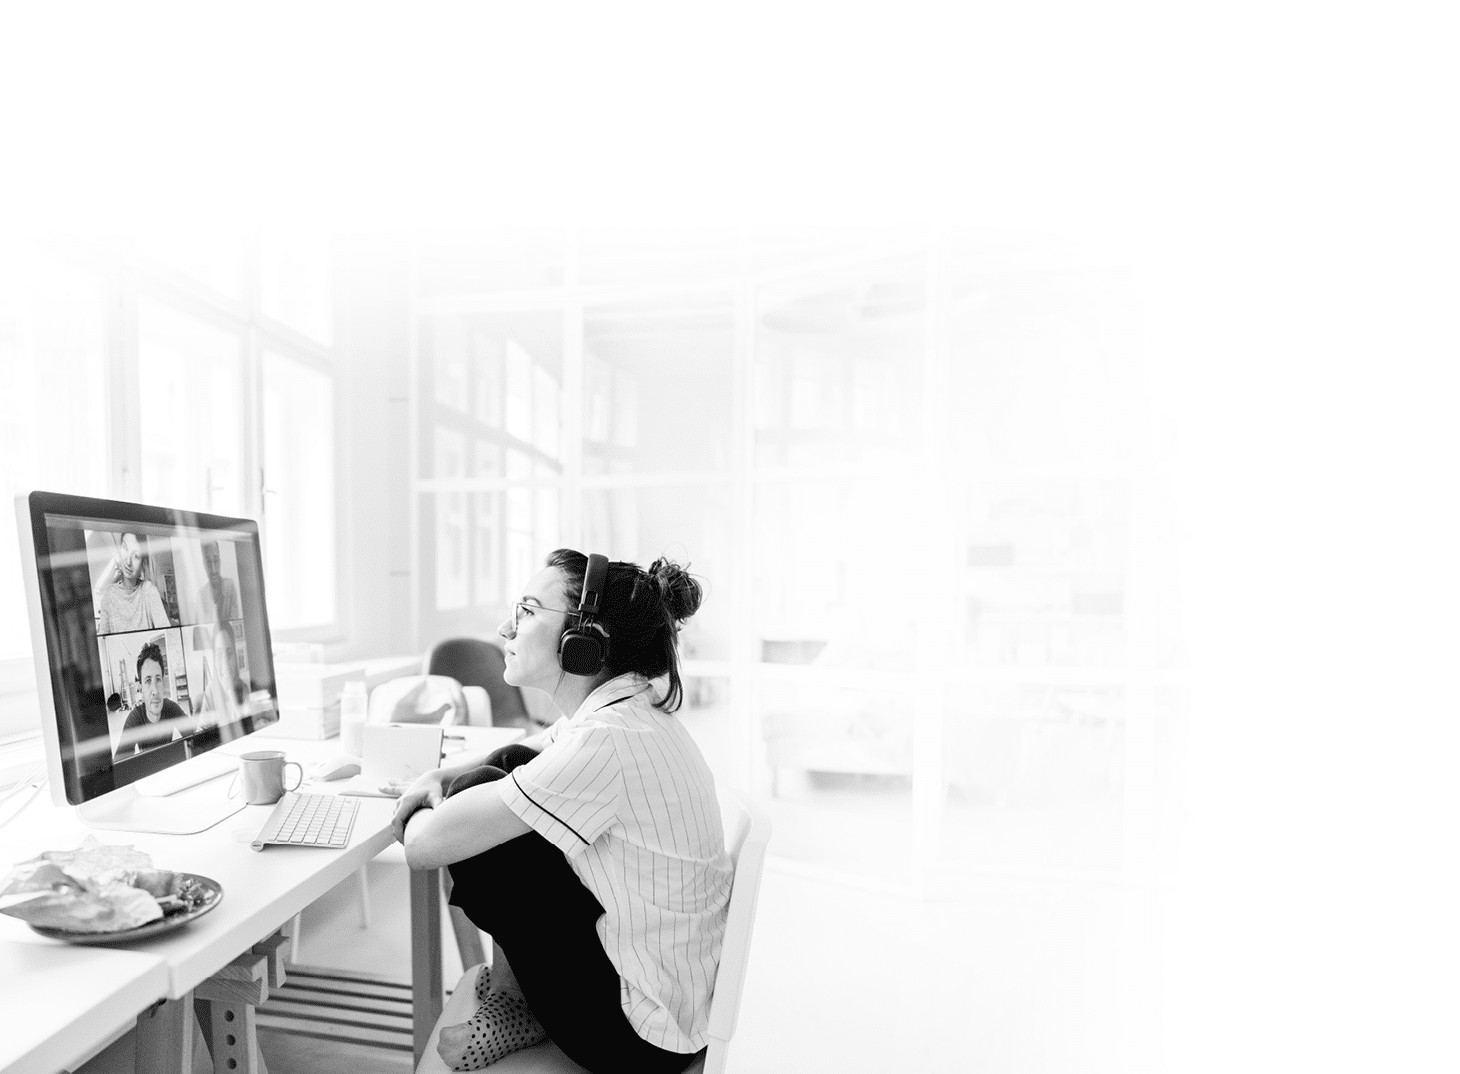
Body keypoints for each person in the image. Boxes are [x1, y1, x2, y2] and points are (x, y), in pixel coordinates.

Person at [392, 550, 729, 1074]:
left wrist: (420, 804)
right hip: (671, 1003)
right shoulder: (622, 710)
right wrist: (436, 777)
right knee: (505, 765)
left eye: (527, 611)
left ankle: (519, 1007)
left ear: (583, 642)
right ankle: (517, 999)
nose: (507, 626)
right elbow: (533, 748)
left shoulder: (607, 742)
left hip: (637, 1039)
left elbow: (423, 848)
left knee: (482, 791)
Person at [117, 642, 189, 757]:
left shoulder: (171, 708)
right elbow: (119, 763)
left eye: (158, 679)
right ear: (140, 688)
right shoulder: (135, 719)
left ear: (163, 683)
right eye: (148, 681)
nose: (155, 690)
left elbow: (195, 738)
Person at [94, 532, 172, 634]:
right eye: (125, 548)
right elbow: (103, 637)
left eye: (136, 556)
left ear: (142, 563)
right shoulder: (109, 594)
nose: (128, 562)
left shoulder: (149, 590)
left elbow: (166, 632)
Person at [196, 539, 240, 623]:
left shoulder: (230, 586)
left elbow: (236, 624)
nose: (213, 570)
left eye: (216, 560)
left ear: (220, 561)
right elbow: (199, 631)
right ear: (204, 564)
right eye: (208, 562)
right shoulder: (200, 596)